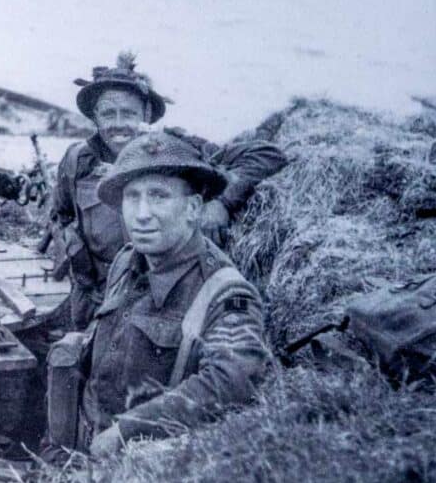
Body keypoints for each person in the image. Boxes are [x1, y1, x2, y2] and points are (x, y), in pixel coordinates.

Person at [50, 131, 270, 457]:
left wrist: (127, 430)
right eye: (132, 197)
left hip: (134, 464)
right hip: (81, 448)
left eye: (159, 197)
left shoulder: (224, 294)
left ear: (193, 208)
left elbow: (233, 381)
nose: (141, 214)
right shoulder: (126, 261)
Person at [50, 52, 287, 331]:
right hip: (94, 304)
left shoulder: (173, 151)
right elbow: (62, 215)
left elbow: (265, 154)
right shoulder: (78, 160)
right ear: (95, 118)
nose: (117, 124)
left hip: (159, 309)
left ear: (146, 116)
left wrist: (221, 203)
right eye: (108, 114)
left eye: (128, 113)